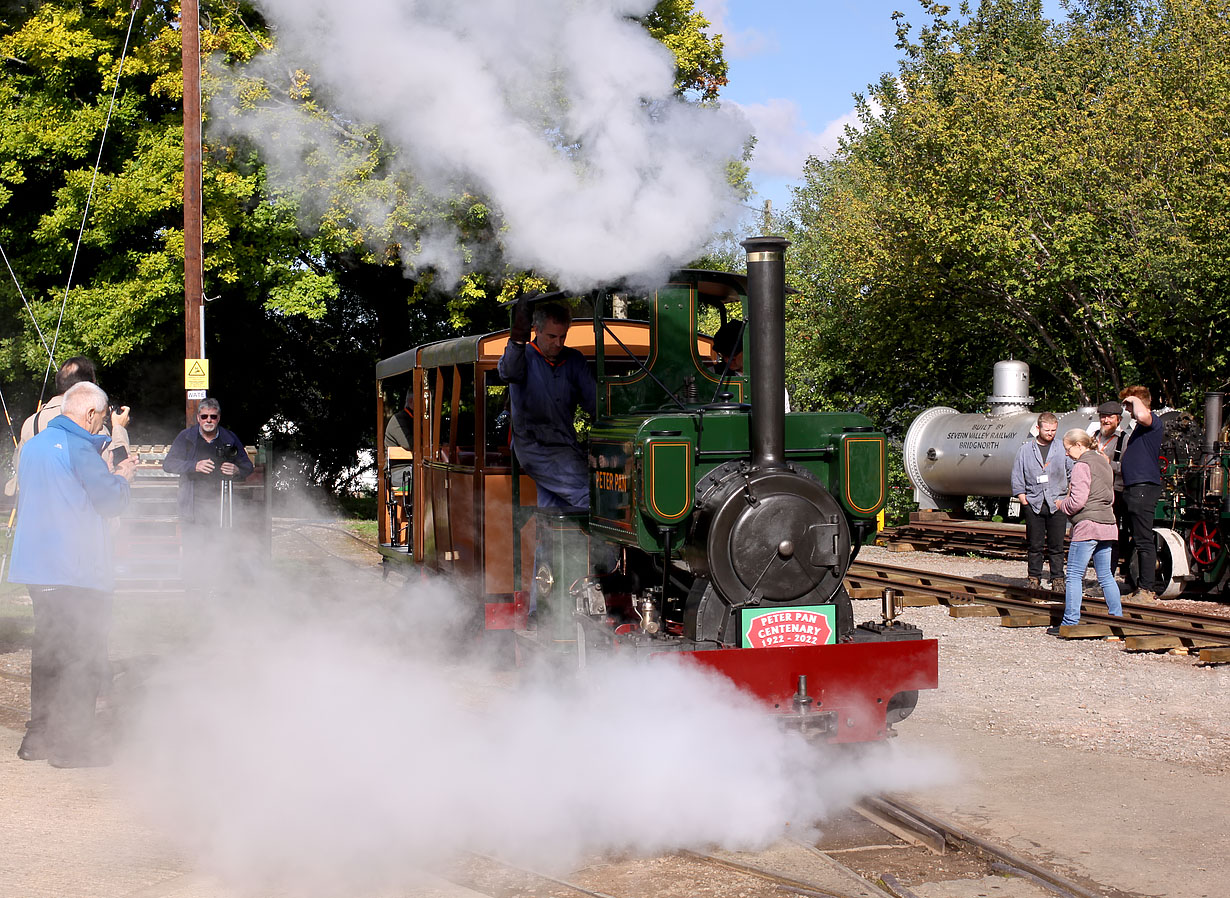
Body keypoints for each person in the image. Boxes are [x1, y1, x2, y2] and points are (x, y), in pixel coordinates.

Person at [8, 381, 137, 766]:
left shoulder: (32, 446)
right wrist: (124, 481)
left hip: (36, 567)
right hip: (75, 570)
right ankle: (72, 748)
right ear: (91, 413)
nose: (100, 426)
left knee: (47, 654)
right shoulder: (81, 447)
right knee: (81, 656)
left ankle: (38, 739)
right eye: (100, 419)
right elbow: (109, 501)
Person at [497, 299, 595, 509]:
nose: (558, 343)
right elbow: (509, 372)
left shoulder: (575, 360)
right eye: (552, 337)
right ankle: (605, 542)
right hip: (534, 446)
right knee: (590, 496)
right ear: (536, 331)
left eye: (563, 337)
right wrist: (517, 338)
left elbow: (594, 402)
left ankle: (553, 542)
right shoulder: (523, 357)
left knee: (554, 509)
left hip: (566, 444)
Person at [4, 356, 130, 495]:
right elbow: (115, 472)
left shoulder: (31, 422)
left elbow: (21, 467)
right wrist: (119, 428)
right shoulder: (90, 422)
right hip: (80, 512)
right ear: (89, 387)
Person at [1053, 429, 1123, 631]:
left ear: (1078, 445)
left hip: (1087, 525)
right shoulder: (1104, 462)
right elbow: (1110, 496)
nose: (1067, 454)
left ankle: (1070, 622)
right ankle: (1117, 618)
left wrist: (1061, 505)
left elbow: (1077, 501)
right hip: (1108, 525)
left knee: (1074, 574)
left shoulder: (1081, 466)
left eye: (1068, 449)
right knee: (1106, 576)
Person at [162, 397, 254, 529]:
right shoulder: (186, 437)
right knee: (193, 546)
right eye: (204, 416)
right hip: (192, 505)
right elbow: (168, 464)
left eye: (213, 416)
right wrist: (194, 466)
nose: (209, 420)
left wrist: (237, 470)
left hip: (221, 505)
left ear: (219, 418)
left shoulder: (229, 437)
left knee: (219, 545)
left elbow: (247, 466)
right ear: (198, 418)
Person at [1010, 412, 1071, 590]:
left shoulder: (1062, 448)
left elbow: (1072, 472)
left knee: (1057, 545)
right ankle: (1033, 578)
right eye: (1047, 430)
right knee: (1034, 545)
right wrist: (1023, 499)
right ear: (1038, 428)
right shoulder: (1025, 450)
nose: (1050, 433)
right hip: (1034, 503)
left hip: (1057, 503)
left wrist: (1067, 498)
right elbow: (1017, 475)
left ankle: (1058, 578)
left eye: (1053, 430)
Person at [1118, 385, 1166, 601]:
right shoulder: (1139, 429)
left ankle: (1147, 589)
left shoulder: (1152, 423)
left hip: (1144, 488)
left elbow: (1142, 414)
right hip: (1133, 488)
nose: (1127, 410)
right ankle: (1136, 585)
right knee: (1135, 539)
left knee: (1144, 540)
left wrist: (1133, 399)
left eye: (1128, 404)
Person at [711, 319, 791, 411]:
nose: (727, 359)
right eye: (723, 354)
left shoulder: (772, 383)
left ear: (748, 349)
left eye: (733, 354)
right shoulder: (711, 374)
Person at [1092, 400, 1128, 575]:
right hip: (1093, 493)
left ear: (1118, 420)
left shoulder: (1124, 440)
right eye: (1103, 417)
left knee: (1110, 536)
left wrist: (1109, 463)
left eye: (1110, 417)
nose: (1106, 420)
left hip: (1114, 493)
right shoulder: (1093, 436)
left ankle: (1108, 575)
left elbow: (1128, 469)